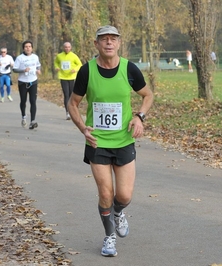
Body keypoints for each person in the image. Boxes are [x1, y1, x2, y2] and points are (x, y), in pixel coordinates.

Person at [67, 25, 153, 257]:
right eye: (103, 39)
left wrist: (139, 117)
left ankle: (118, 212)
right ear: (96, 44)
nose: (108, 43)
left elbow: (148, 95)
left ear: (118, 43)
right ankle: (109, 236)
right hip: (98, 142)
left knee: (124, 196)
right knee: (105, 193)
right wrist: (83, 128)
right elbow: (72, 103)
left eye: (113, 39)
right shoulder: (86, 71)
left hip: (124, 140)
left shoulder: (130, 69)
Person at [13, 40, 41, 130]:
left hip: (33, 81)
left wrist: (38, 70)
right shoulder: (19, 58)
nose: (28, 48)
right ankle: (24, 116)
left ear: (32, 48)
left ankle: (32, 121)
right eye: (26, 47)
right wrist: (23, 70)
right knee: (23, 101)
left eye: (29, 46)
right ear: (23, 48)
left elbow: (38, 65)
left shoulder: (35, 57)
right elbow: (14, 69)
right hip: (22, 82)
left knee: (33, 101)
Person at [54, 42, 82, 120]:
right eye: (66, 47)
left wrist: (75, 69)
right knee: (66, 95)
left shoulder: (74, 56)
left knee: (71, 95)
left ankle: (72, 111)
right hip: (63, 77)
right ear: (63, 48)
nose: (67, 48)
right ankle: (67, 112)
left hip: (72, 77)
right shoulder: (59, 56)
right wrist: (56, 67)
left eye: (68, 47)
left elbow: (79, 64)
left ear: (71, 48)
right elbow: (56, 62)